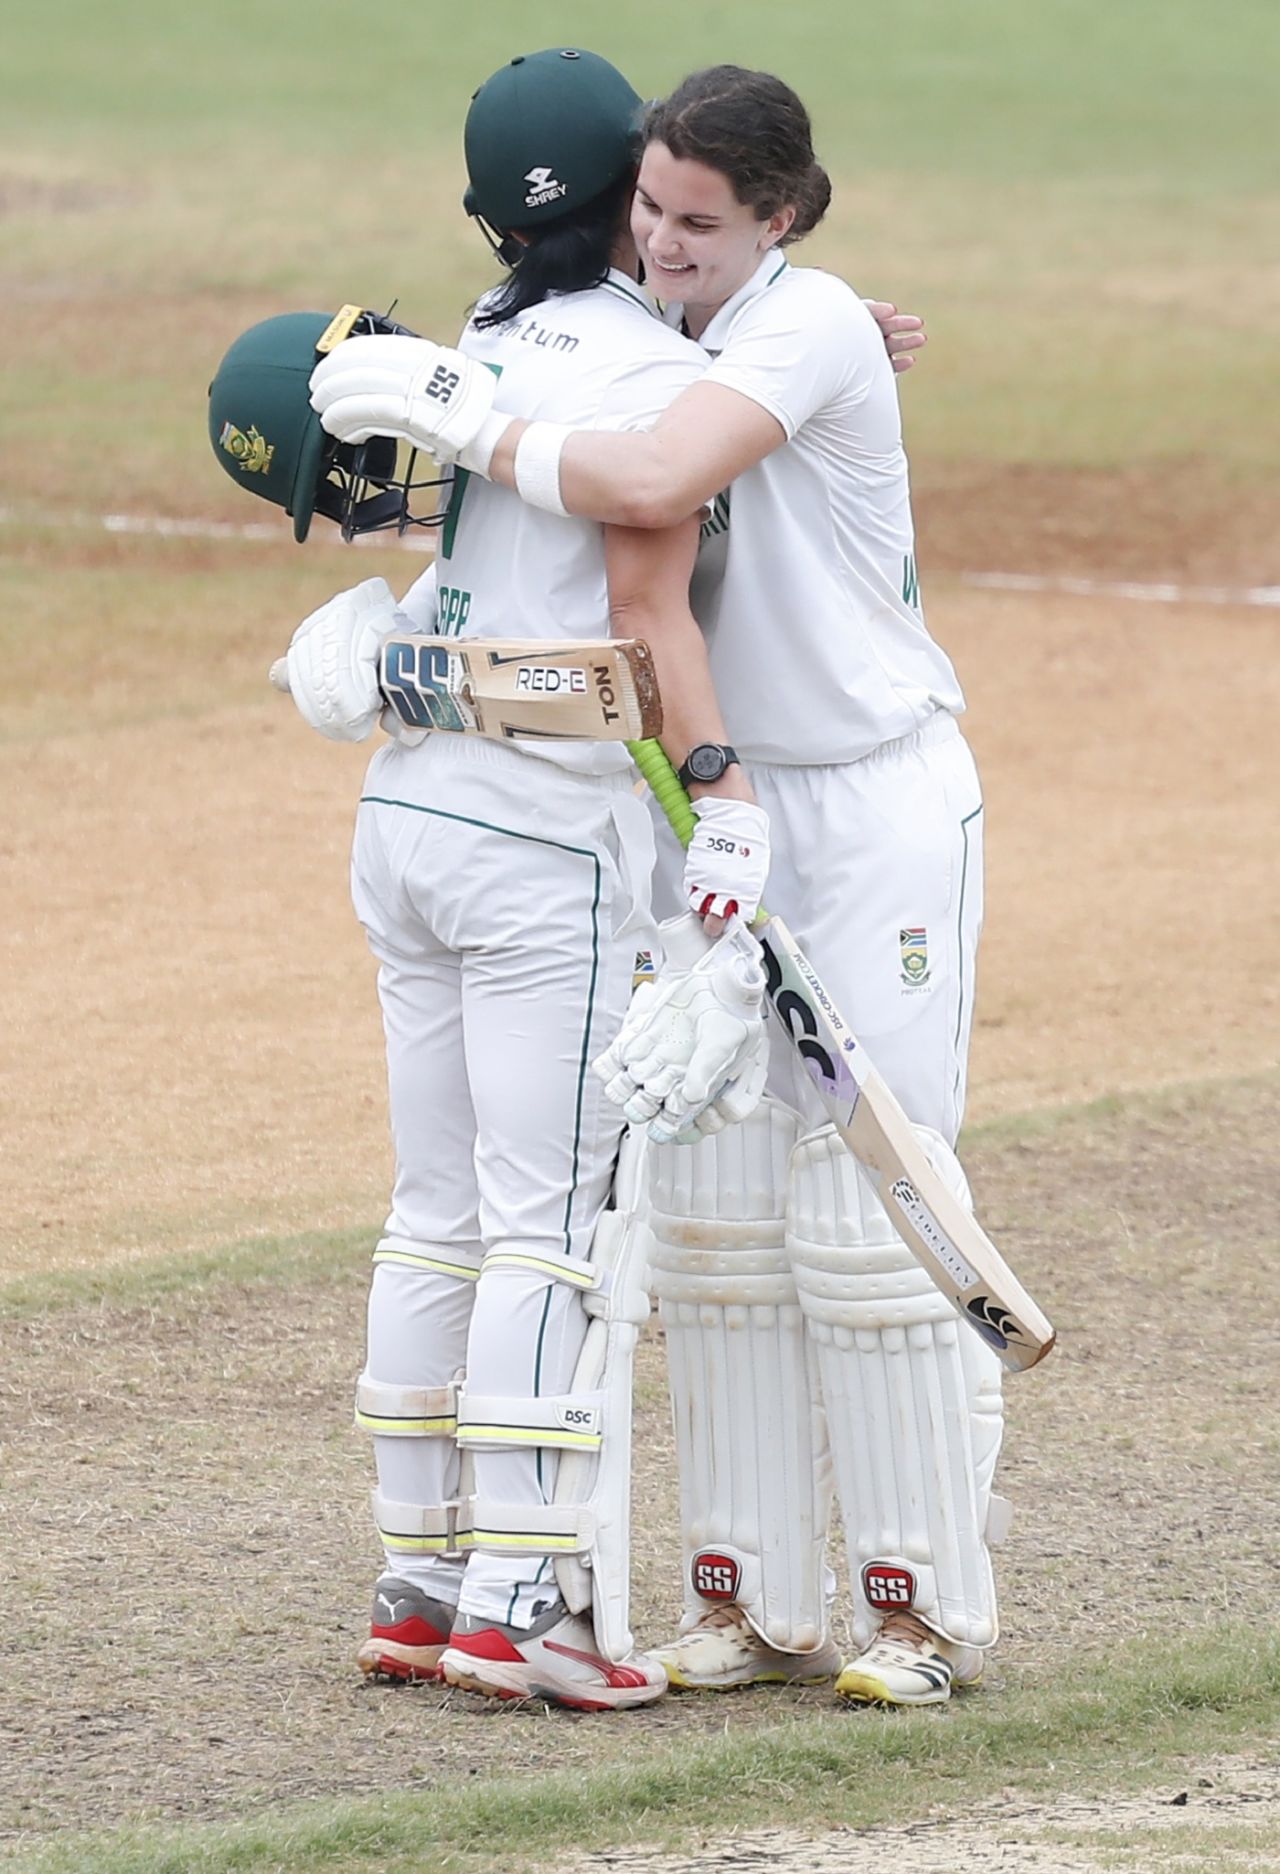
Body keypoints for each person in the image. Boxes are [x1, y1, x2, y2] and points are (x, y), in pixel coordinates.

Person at [312, 61, 1008, 1709]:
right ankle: (753, 1599)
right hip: (708, 801)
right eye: (652, 213)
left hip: (862, 797)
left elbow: (638, 484)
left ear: (778, 216)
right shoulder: (674, 323)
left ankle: (917, 1608)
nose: (670, 244)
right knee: (706, 1224)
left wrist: (443, 396)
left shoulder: (800, 320)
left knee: (860, 1215)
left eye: (706, 222)